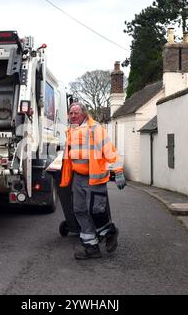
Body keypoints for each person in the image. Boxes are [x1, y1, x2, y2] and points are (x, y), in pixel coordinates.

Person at [60, 102, 126, 260]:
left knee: (96, 210)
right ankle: (91, 247)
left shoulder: (95, 129)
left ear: (84, 114)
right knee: (80, 211)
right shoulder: (70, 131)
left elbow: (110, 150)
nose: (73, 116)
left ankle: (110, 232)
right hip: (78, 178)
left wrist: (118, 171)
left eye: (76, 113)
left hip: (94, 177)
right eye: (70, 113)